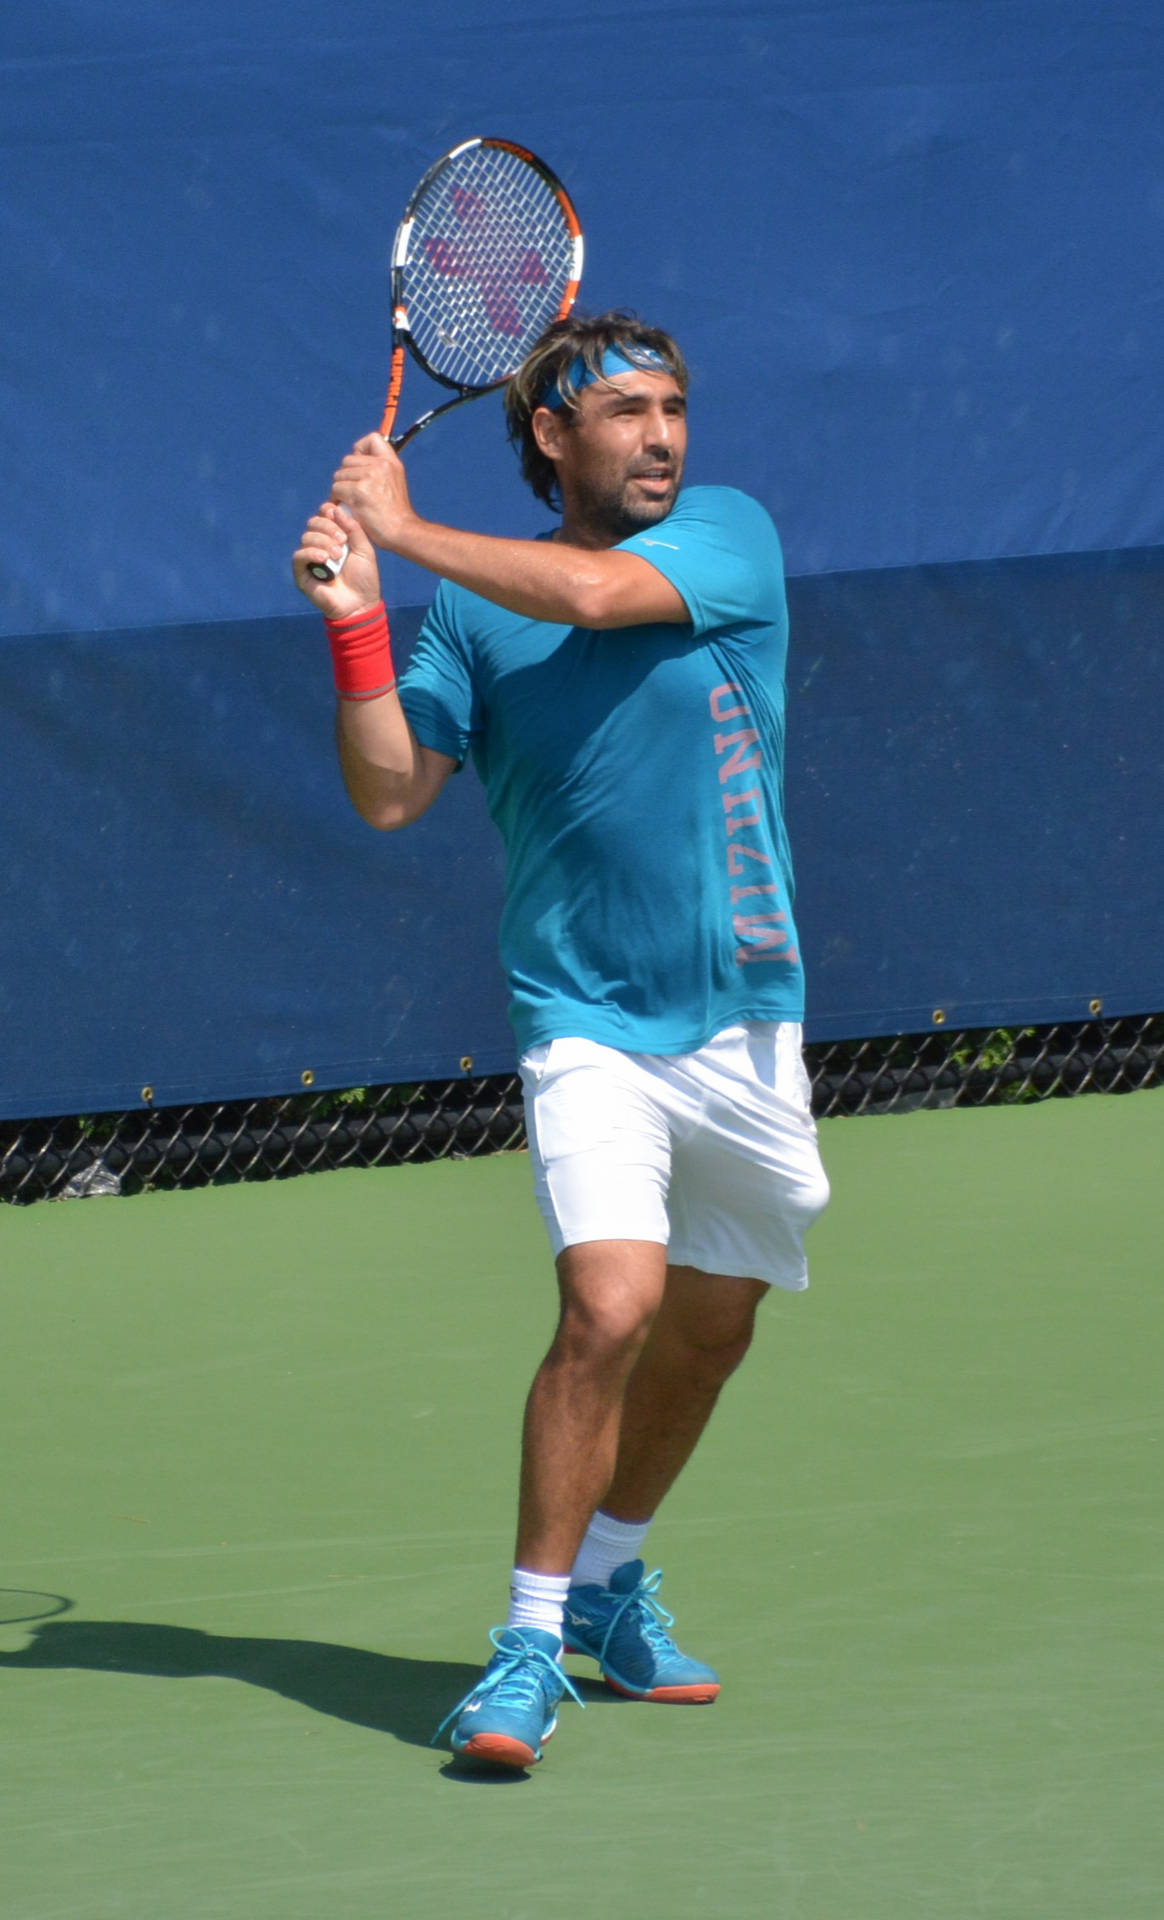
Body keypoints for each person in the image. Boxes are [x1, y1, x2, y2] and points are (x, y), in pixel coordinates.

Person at [292, 310, 830, 1770]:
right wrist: (357, 615)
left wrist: (402, 527)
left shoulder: (725, 536)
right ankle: (527, 1643)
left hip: (743, 1021)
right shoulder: (471, 615)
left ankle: (608, 1585)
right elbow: (393, 792)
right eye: (624, 413)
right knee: (610, 1306)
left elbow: (594, 600)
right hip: (582, 1016)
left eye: (672, 409)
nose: (661, 437)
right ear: (550, 432)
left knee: (712, 1335)